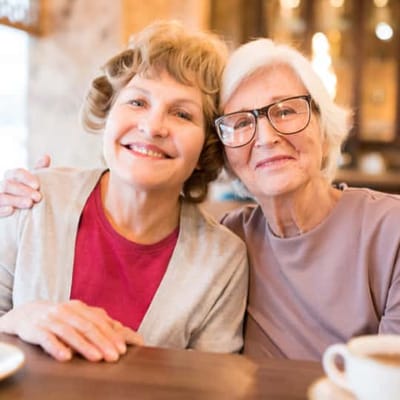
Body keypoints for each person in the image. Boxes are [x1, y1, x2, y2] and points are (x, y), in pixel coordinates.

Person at [5, 38, 400, 363]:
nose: (265, 138)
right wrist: (17, 318)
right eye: (243, 122)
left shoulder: (226, 255)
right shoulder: (36, 199)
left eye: (286, 111)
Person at [0, 21, 248, 363]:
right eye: (137, 102)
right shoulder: (33, 198)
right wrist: (16, 320)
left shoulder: (222, 261)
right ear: (108, 111)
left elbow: (214, 387)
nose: (153, 127)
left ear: (207, 145)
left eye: (181, 113)